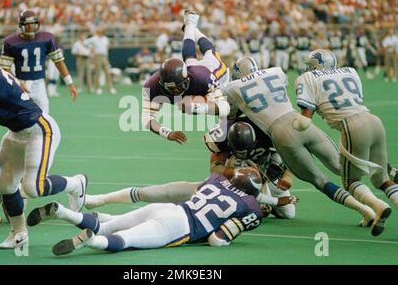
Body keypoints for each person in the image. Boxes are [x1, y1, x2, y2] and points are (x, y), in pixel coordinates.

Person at [0, 40, 87, 249]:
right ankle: (19, 233)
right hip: (16, 132)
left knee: (33, 187)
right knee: (6, 185)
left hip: (39, 131)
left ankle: (76, 183)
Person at [223, 56, 377, 228]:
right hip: (299, 121)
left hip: (280, 132)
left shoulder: (232, 87)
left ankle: (366, 211)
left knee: (320, 181)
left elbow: (231, 115)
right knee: (343, 167)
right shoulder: (276, 71)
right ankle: (382, 189)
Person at [85, 119, 298, 219]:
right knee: (163, 193)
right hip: (233, 184)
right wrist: (239, 173)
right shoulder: (222, 138)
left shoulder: (270, 135)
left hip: (265, 177)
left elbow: (291, 162)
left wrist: (282, 178)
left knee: (288, 214)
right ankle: (101, 199)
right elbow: (216, 170)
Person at [27, 170, 264, 255]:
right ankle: (91, 242)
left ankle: (63, 212)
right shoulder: (249, 206)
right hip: (179, 227)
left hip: (168, 208)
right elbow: (216, 240)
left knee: (109, 225)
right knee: (124, 240)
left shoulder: (217, 180)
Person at [295, 49, 398, 236]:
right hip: (373, 120)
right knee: (382, 179)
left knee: (351, 181)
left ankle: (378, 206)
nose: (308, 67)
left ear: (318, 64)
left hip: (352, 126)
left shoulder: (308, 78)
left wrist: (294, 125)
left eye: (311, 64)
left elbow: (305, 120)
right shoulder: (350, 71)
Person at [143, 10, 230, 145]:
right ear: (162, 83)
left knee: (212, 54)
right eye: (172, 89)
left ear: (187, 77)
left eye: (180, 86)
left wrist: (200, 108)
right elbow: (146, 118)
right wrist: (166, 132)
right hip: (194, 76)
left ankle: (190, 25)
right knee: (190, 58)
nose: (178, 92)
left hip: (212, 77)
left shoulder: (201, 76)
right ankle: (191, 25)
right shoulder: (152, 85)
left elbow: (225, 108)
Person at [0, 10, 77, 113]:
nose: (31, 27)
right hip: (20, 83)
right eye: (27, 24)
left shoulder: (47, 38)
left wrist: (70, 83)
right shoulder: (11, 42)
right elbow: (5, 68)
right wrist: (17, 82)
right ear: (21, 25)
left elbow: (59, 61)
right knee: (17, 121)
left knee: (44, 117)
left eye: (33, 24)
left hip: (39, 84)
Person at [85, 27, 116, 95]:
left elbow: (107, 46)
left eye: (101, 31)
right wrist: (91, 49)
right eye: (99, 31)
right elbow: (85, 42)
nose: (100, 32)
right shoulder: (94, 38)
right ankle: (98, 88)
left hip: (105, 56)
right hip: (97, 56)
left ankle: (110, 88)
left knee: (107, 72)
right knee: (98, 73)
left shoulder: (106, 39)